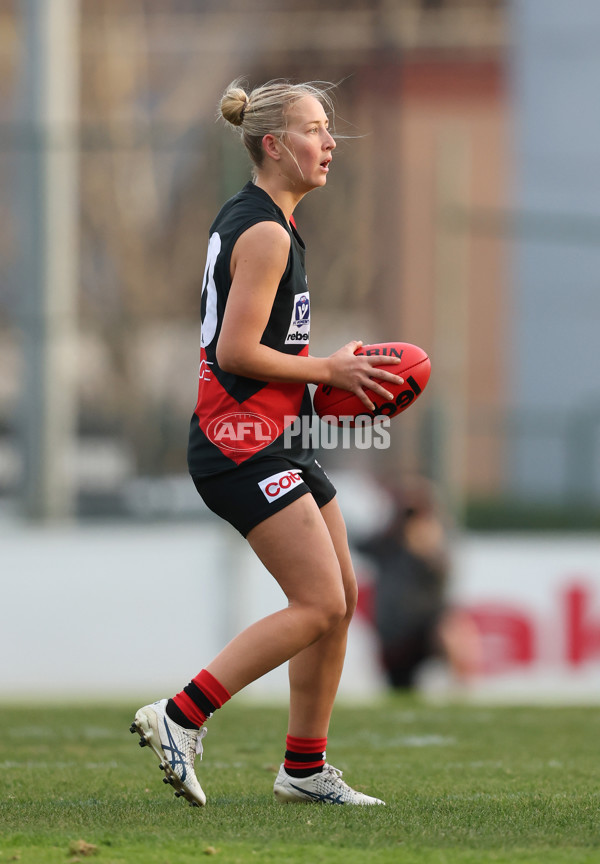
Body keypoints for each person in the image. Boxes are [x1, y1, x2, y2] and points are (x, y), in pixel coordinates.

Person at [130, 79, 404, 807]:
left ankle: (304, 770)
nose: (330, 143)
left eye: (330, 128)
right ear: (274, 145)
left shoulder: (273, 224)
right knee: (315, 603)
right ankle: (181, 716)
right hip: (237, 442)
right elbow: (235, 352)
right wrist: (327, 369)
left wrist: (320, 383)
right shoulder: (262, 232)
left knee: (341, 597)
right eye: (316, 130)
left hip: (277, 436)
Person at [356, 476, 482, 690]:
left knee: (452, 629)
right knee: (400, 688)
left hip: (427, 624)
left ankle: (462, 691)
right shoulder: (387, 543)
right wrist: (392, 525)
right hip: (394, 631)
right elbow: (362, 545)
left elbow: (443, 576)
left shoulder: (436, 540)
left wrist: (427, 548)